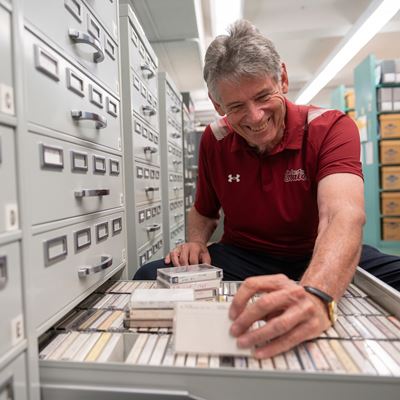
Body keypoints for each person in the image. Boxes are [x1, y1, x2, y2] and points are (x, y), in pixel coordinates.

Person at [134, 19, 400, 358]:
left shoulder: (331, 127)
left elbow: (341, 215)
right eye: (236, 107)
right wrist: (196, 243)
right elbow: (204, 210)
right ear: (219, 107)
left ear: (283, 79)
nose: (255, 116)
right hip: (245, 257)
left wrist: (318, 293)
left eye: (262, 97)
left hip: (319, 251)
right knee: (147, 276)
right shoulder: (214, 140)